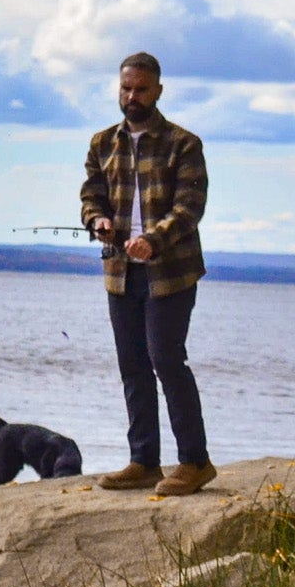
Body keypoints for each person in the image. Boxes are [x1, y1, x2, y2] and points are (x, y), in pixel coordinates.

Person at [80, 52, 216, 496]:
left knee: (166, 360)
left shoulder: (183, 143)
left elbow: (189, 208)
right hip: (120, 272)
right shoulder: (103, 143)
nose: (131, 96)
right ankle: (144, 461)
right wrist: (97, 221)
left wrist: (153, 239)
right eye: (125, 88)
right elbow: (90, 195)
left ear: (158, 90)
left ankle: (195, 462)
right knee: (132, 365)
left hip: (170, 273)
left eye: (140, 88)